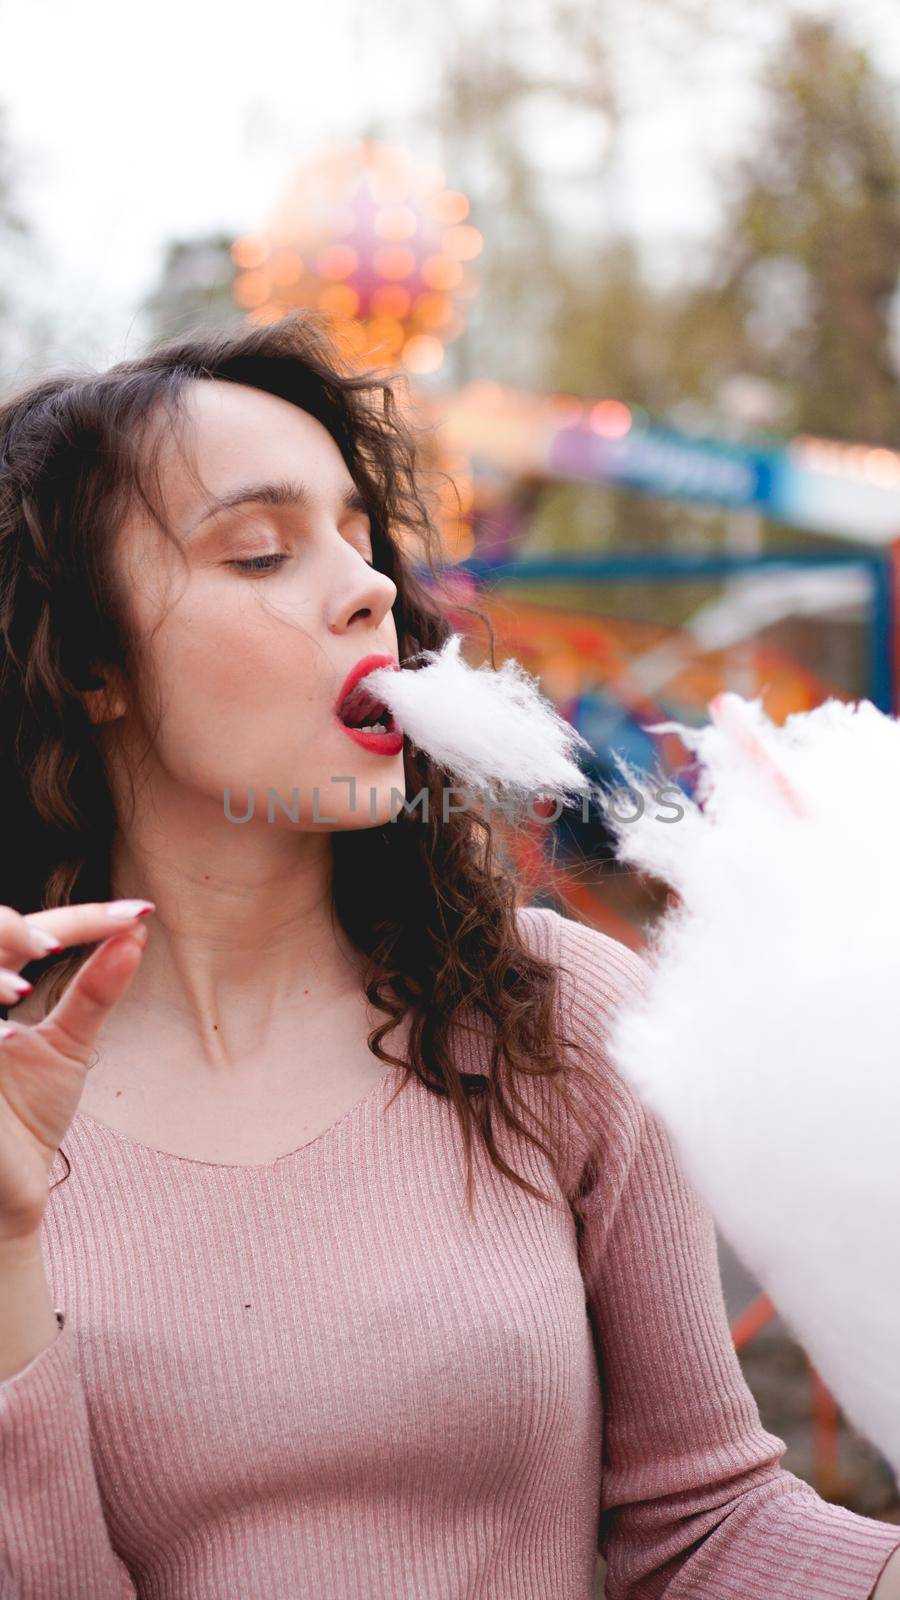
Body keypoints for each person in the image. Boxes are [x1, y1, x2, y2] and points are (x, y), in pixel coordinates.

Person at [0, 313, 898, 1600]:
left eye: (362, 539)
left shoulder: (553, 1018)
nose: (368, 589)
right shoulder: (11, 1104)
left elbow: (703, 1530)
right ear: (93, 664)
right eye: (260, 553)